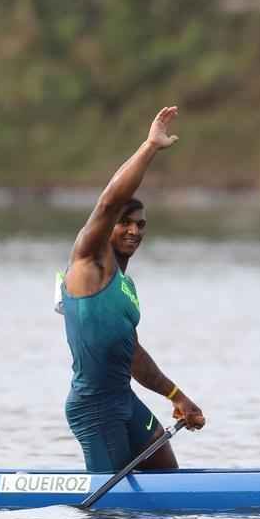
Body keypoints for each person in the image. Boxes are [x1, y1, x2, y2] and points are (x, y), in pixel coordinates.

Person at [58, 106, 205, 472]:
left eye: (140, 225)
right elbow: (109, 199)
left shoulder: (126, 287)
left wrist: (177, 396)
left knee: (166, 478)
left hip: (124, 400)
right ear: (106, 227)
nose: (134, 231)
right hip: (94, 408)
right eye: (125, 223)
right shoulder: (86, 260)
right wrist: (150, 146)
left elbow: (133, 354)